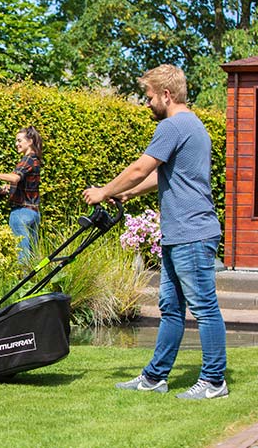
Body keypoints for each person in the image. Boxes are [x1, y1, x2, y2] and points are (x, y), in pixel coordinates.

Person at [82, 64, 227, 400]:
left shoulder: (172, 126)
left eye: (148, 97)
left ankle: (214, 381)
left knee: (204, 308)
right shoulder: (192, 125)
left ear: (166, 94)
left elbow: (139, 168)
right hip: (181, 234)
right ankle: (155, 377)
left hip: (191, 233)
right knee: (172, 309)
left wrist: (104, 190)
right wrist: (129, 193)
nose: (146, 104)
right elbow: (162, 175)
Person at [0, 126, 42, 263]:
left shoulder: (27, 159)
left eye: (19, 140)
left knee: (23, 257)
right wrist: (9, 188)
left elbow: (15, 177)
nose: (16, 144)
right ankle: (35, 282)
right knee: (34, 257)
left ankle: (23, 282)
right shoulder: (35, 160)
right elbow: (27, 184)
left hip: (21, 213)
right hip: (34, 213)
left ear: (30, 141)